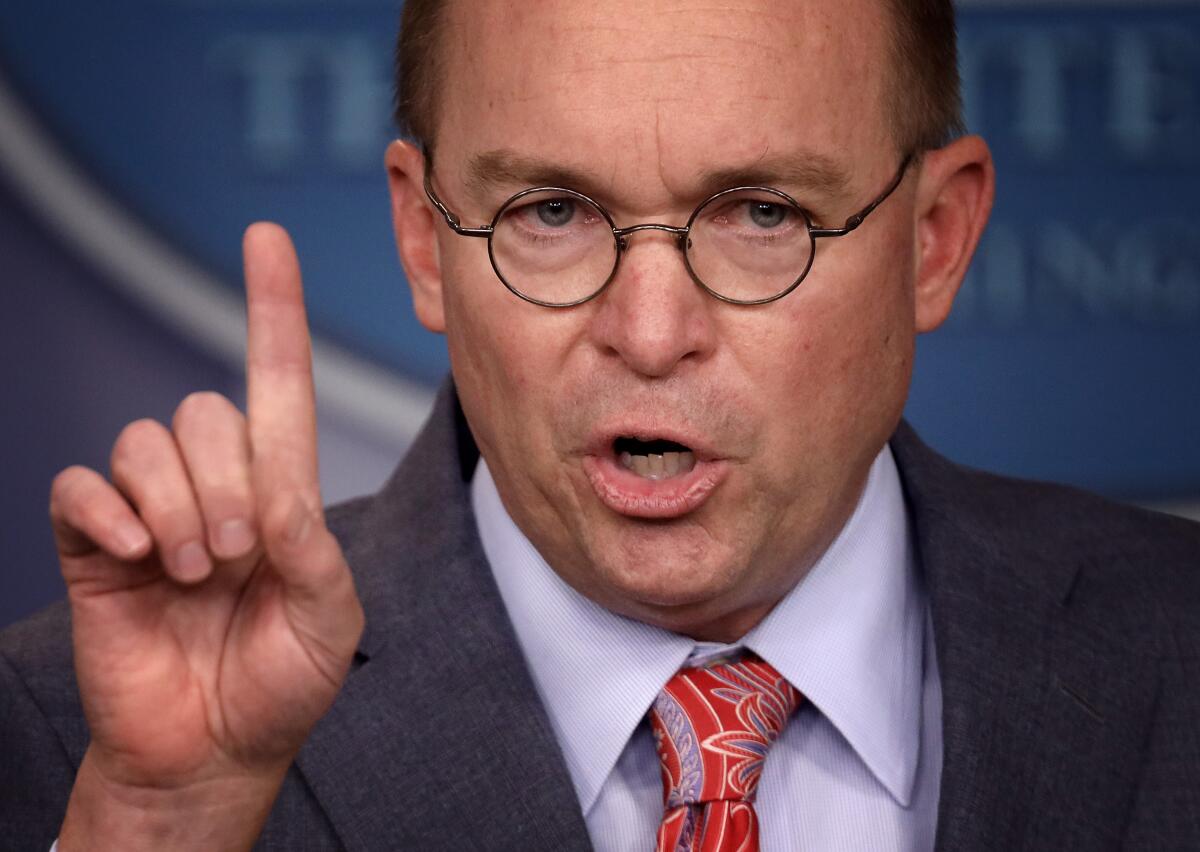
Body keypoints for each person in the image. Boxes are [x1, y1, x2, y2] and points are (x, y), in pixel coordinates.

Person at [2, 0, 1198, 849]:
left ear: (934, 240)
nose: (650, 326)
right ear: (425, 241)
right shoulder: (73, 736)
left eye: (764, 213)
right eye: (555, 210)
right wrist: (161, 832)